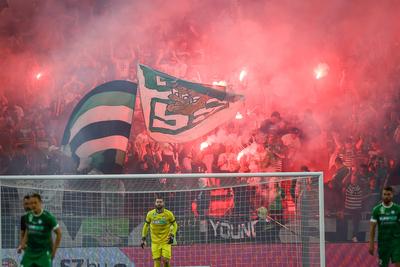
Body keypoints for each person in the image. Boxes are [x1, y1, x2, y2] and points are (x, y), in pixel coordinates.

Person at [18, 193, 62, 267]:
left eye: (35, 203)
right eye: (31, 203)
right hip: (30, 252)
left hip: (43, 252)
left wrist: (54, 252)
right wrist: (22, 244)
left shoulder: (48, 217)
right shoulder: (28, 216)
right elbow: (28, 230)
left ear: (40, 203)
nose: (33, 205)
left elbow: (59, 234)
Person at [141, 196, 178, 267]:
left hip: (166, 241)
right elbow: (146, 226)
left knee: (166, 260)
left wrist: (172, 235)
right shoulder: (150, 214)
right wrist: (143, 239)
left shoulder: (169, 214)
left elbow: (175, 225)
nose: (159, 203)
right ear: (155, 203)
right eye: (157, 202)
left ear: (163, 203)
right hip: (155, 242)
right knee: (157, 260)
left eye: (160, 202)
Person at [369, 186, 400, 267]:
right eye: (384, 194)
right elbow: (372, 228)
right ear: (382, 195)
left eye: (388, 194)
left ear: (392, 195)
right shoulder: (376, 209)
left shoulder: (398, 209)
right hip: (383, 244)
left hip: (396, 243)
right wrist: (371, 244)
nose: (386, 196)